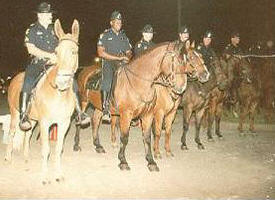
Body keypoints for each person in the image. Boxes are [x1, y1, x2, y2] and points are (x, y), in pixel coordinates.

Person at [20, 2, 89, 131]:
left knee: (72, 81)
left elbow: (63, 44)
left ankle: (80, 112)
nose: (51, 15)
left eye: (51, 13)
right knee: (28, 81)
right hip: (38, 63)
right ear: (40, 15)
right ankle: (24, 115)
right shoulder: (32, 29)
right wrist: (48, 55)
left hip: (56, 63)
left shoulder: (55, 30)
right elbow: (31, 49)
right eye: (48, 13)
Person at [97, 11, 132, 115]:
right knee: (108, 78)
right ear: (111, 23)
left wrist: (127, 57)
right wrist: (118, 58)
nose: (119, 24)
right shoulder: (105, 35)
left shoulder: (124, 36)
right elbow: (101, 53)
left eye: (120, 22)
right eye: (116, 22)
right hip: (108, 61)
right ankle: (105, 107)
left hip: (122, 63)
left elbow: (129, 51)